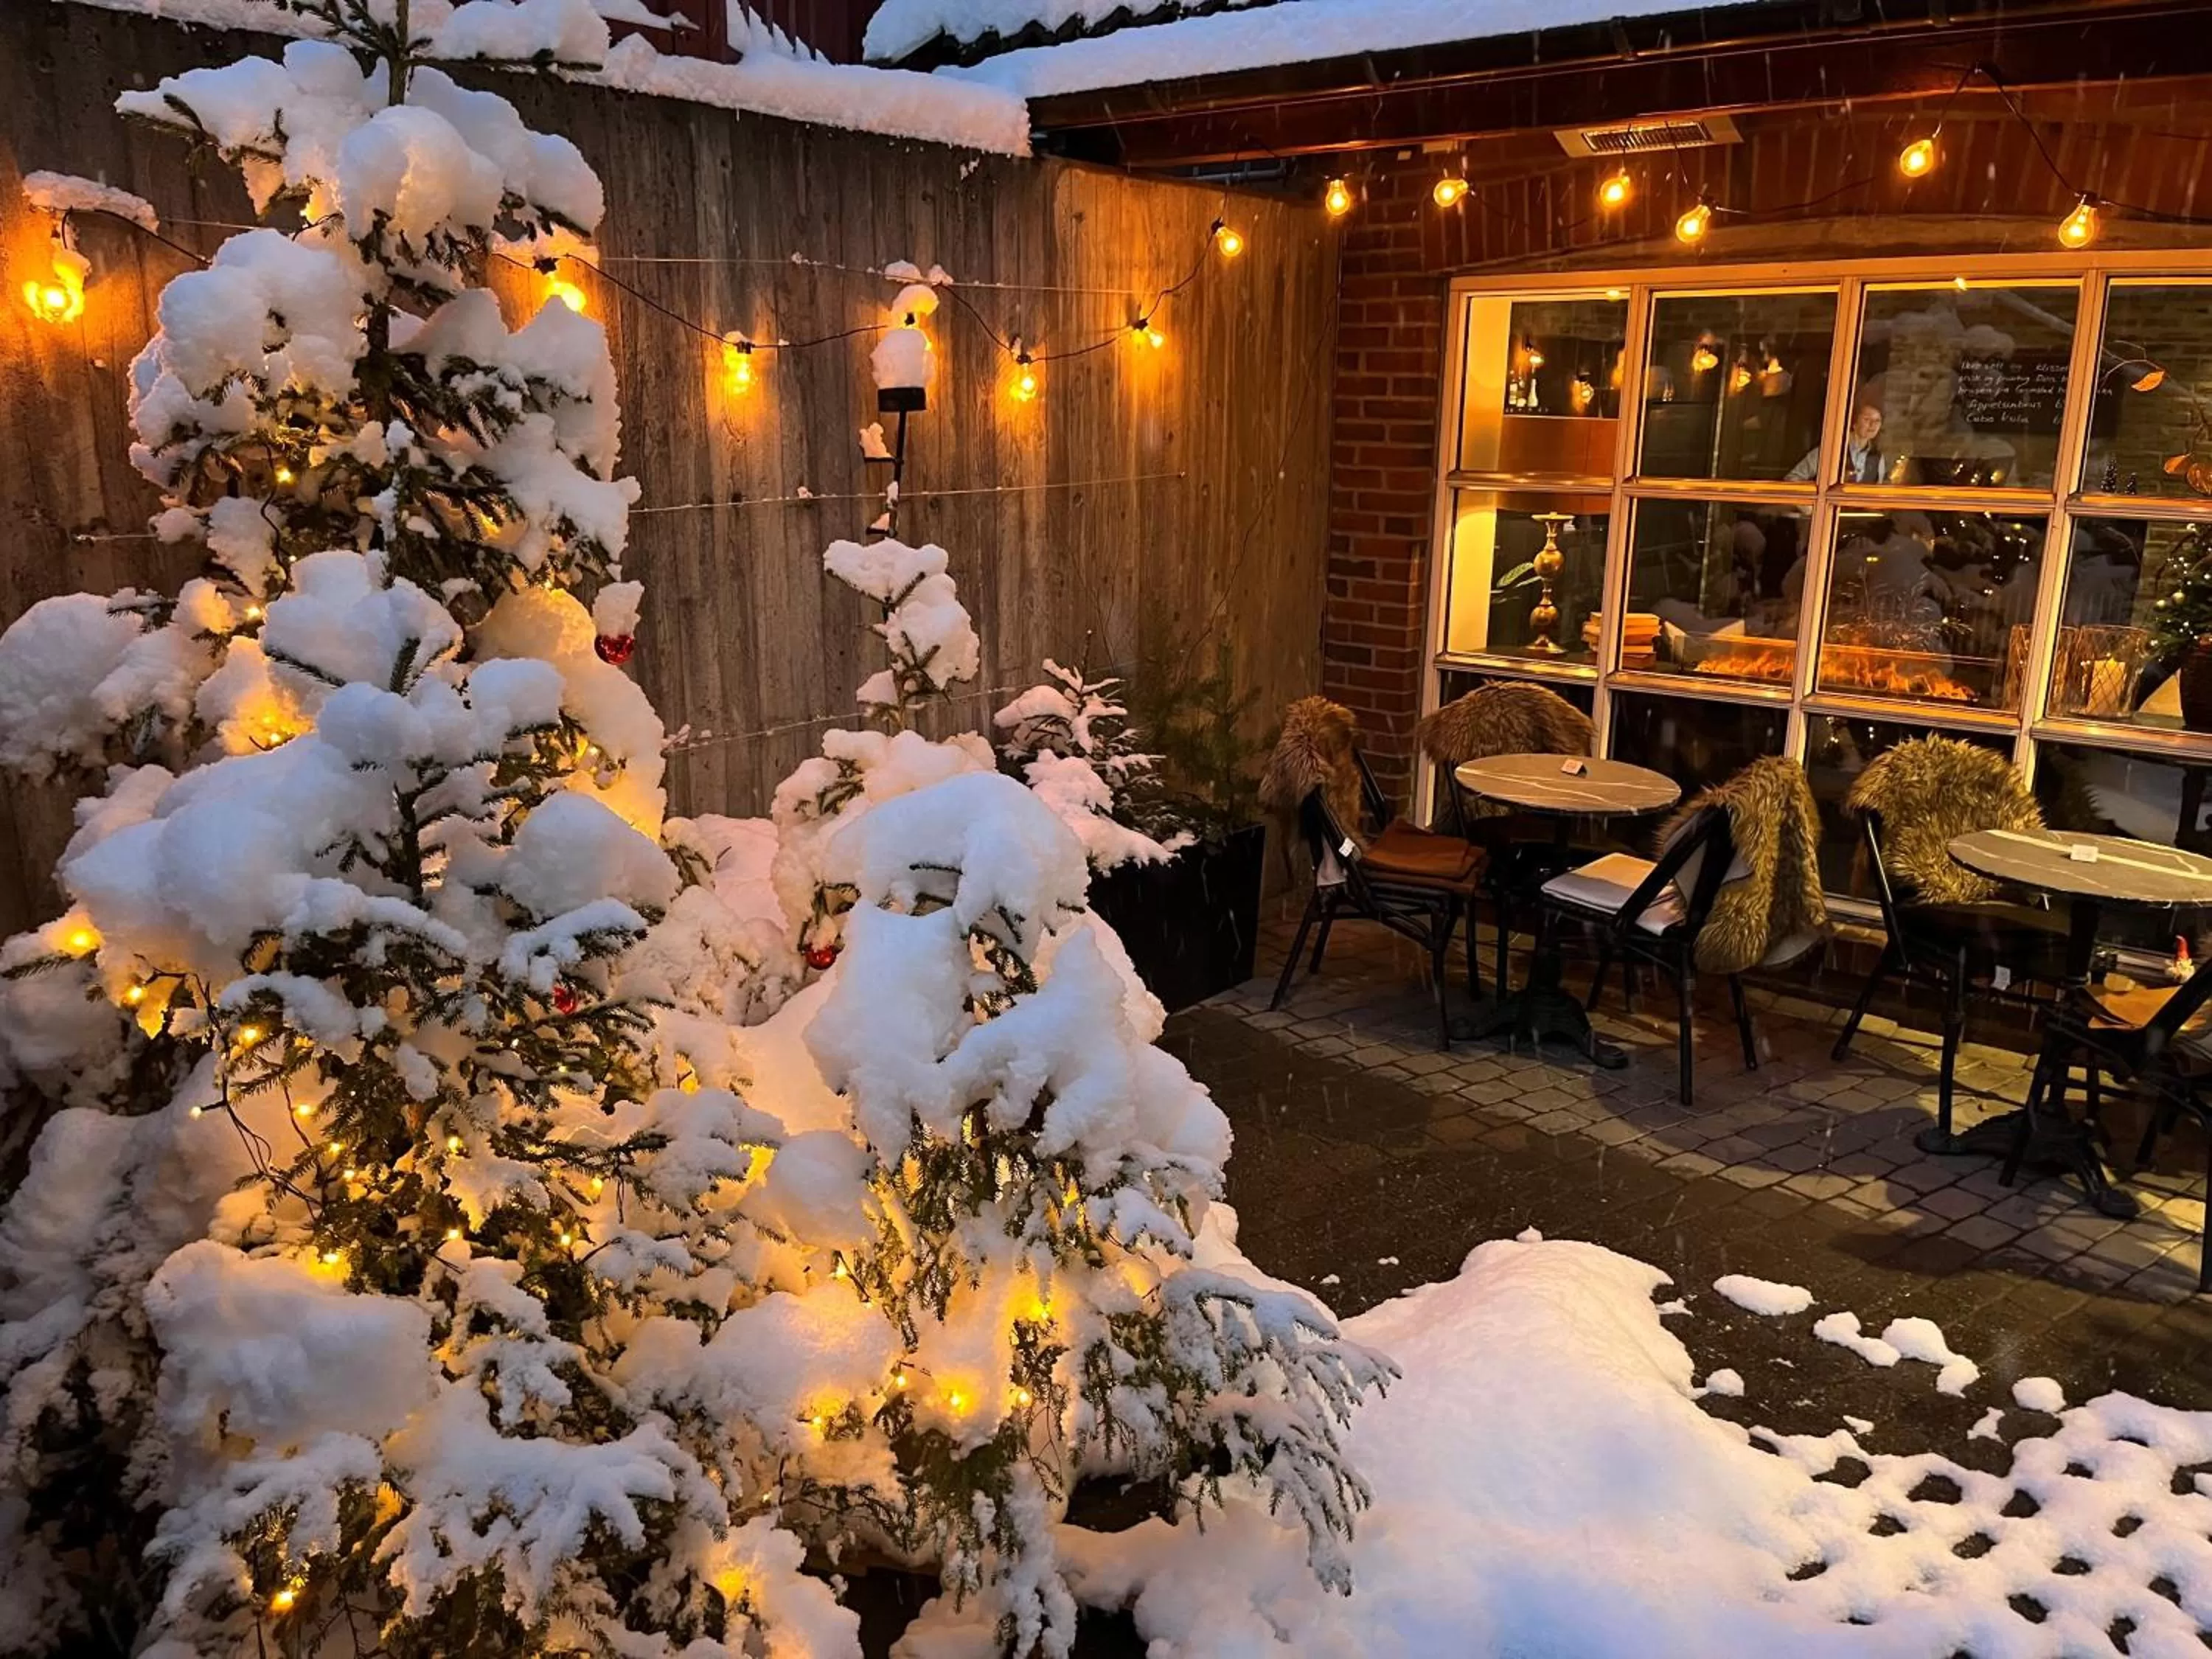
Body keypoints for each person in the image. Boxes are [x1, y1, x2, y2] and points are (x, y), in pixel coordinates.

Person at [1787, 401, 1887, 484]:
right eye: (1867, 419)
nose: (1873, 425)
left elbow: (1876, 494)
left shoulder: (1877, 457)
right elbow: (1792, 479)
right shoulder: (1831, 450)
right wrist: (1810, 506)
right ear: (1854, 422)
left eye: (1878, 421)